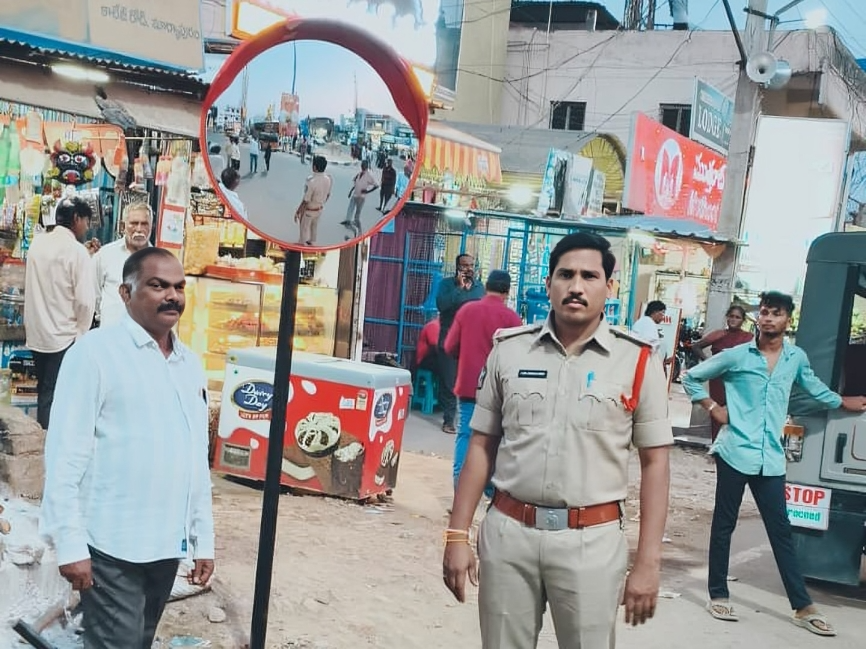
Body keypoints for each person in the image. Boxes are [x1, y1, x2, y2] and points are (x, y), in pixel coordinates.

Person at [443, 232, 673, 649]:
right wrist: (456, 535)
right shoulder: (510, 351)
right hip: (509, 535)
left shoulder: (637, 360)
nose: (576, 286)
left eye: (590, 276)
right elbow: (481, 445)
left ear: (609, 286)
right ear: (549, 283)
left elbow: (656, 464)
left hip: (592, 542)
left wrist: (647, 562)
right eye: (566, 275)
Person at [40, 247, 215, 649]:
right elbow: (65, 456)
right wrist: (70, 544)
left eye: (179, 287)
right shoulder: (94, 354)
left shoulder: (189, 364)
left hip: (165, 547)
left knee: (138, 641)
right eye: (158, 286)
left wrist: (202, 539)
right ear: (125, 293)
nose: (172, 296)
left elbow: (194, 459)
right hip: (110, 546)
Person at [682, 291, 866, 636]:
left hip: (770, 458)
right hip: (735, 451)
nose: (768, 318)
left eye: (776, 313)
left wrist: (843, 402)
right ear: (759, 319)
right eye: (764, 312)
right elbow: (691, 376)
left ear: (787, 320)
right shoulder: (737, 355)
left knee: (781, 530)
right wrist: (713, 408)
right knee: (724, 525)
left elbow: (814, 388)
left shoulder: (795, 358)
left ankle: (802, 606)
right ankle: (718, 594)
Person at [444, 270, 521, 491]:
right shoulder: (512, 319)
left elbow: (449, 346)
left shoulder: (467, 310)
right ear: (507, 291)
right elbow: (517, 358)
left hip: (469, 387)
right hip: (498, 392)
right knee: (494, 438)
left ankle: (460, 489)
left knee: (465, 435)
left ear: (486, 287)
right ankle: (488, 490)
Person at [24, 196, 97, 429]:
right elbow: (85, 302)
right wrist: (80, 334)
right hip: (63, 337)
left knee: (45, 390)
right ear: (76, 218)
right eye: (86, 221)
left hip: (37, 334)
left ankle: (45, 438)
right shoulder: (77, 252)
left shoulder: (37, 244)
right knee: (56, 395)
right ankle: (50, 443)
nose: (87, 227)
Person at [436, 254, 485, 435]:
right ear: (457, 267)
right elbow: (442, 305)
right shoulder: (446, 285)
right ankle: (449, 420)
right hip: (449, 339)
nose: (468, 269)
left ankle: (469, 421)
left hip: (471, 343)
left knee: (472, 383)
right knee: (449, 382)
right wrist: (459, 288)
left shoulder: (479, 288)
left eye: (471, 265)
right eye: (464, 265)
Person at [693, 304, 754, 441]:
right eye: (731, 316)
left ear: (743, 320)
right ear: (727, 317)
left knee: (736, 411)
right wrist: (709, 363)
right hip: (718, 380)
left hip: (738, 381)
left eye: (737, 317)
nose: (733, 319)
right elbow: (696, 347)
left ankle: (732, 445)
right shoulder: (719, 334)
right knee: (716, 410)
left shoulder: (748, 338)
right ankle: (716, 444)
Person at [93, 202, 152, 328]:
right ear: (122, 226)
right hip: (110, 333)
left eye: (144, 224)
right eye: (134, 223)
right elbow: (93, 295)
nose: (139, 229)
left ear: (151, 226)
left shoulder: (158, 260)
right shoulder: (105, 254)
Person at [294, 155, 332, 247]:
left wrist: (298, 211)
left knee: (304, 229)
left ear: (315, 167)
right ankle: (312, 242)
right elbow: (328, 195)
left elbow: (306, 200)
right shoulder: (328, 179)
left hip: (309, 210)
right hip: (319, 209)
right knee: (314, 227)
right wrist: (321, 202)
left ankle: (301, 244)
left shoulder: (311, 181)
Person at [342, 160, 378, 235]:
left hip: (361, 197)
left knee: (358, 212)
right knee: (350, 208)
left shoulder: (369, 176)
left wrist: (367, 191)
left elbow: (376, 186)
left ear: (367, 166)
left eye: (364, 165)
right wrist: (351, 191)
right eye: (362, 165)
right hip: (355, 194)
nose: (362, 166)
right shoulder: (359, 173)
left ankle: (359, 229)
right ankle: (348, 220)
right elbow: (356, 183)